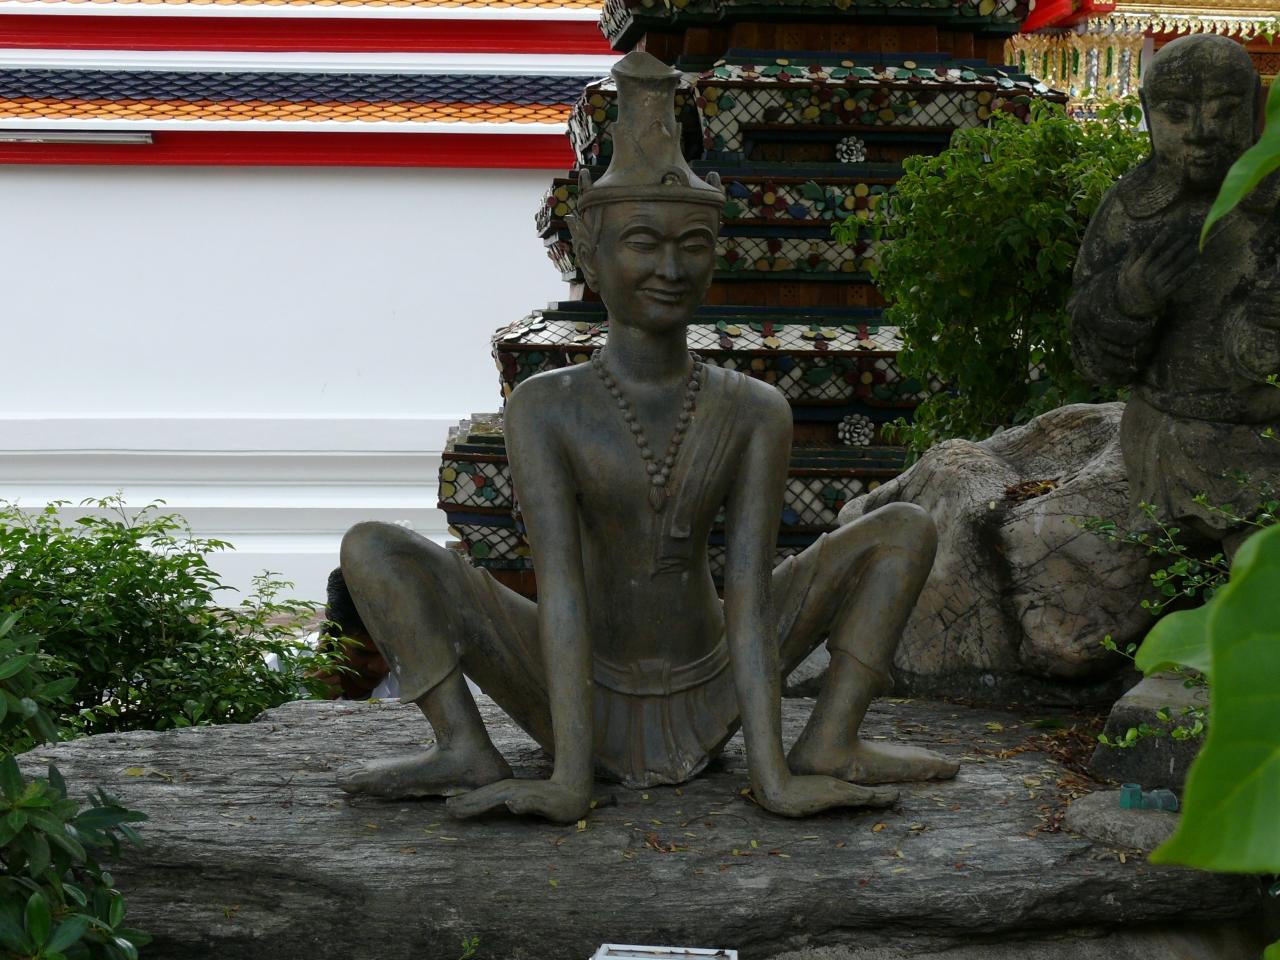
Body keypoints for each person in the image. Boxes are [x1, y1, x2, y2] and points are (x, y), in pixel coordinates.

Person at [335, 50, 958, 825]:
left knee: (904, 528)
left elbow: (749, 594)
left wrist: (772, 775)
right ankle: (464, 745)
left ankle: (829, 740)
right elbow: (560, 588)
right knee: (374, 547)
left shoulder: (754, 408)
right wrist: (570, 778)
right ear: (591, 256)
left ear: (715, 256)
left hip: (713, 674)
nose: (669, 267)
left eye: (691, 244)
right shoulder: (545, 406)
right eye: (641, 241)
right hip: (571, 680)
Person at [1072, 34, 1280, 554]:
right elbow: (1090, 357)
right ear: (1148, 111)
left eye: (1224, 111)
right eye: (1176, 115)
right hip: (1171, 431)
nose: (1201, 134)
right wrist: (1127, 299)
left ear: (1254, 107)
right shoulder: (1131, 210)